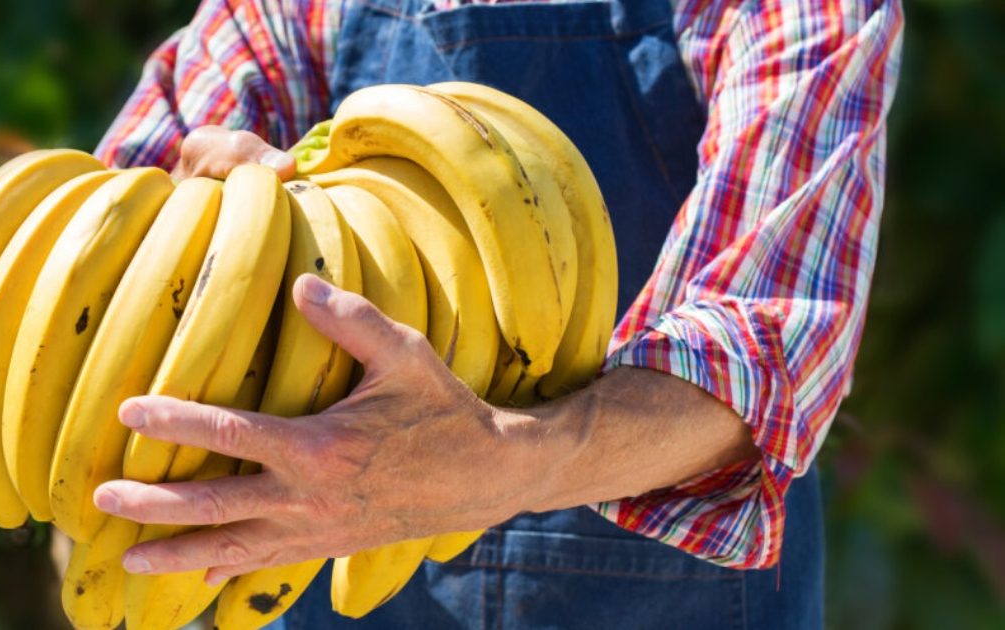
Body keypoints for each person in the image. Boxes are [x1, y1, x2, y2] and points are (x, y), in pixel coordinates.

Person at [88, 0, 904, 627]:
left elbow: (765, 346)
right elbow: (95, 285)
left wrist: (500, 459)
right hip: (312, 576)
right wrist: (197, 218)